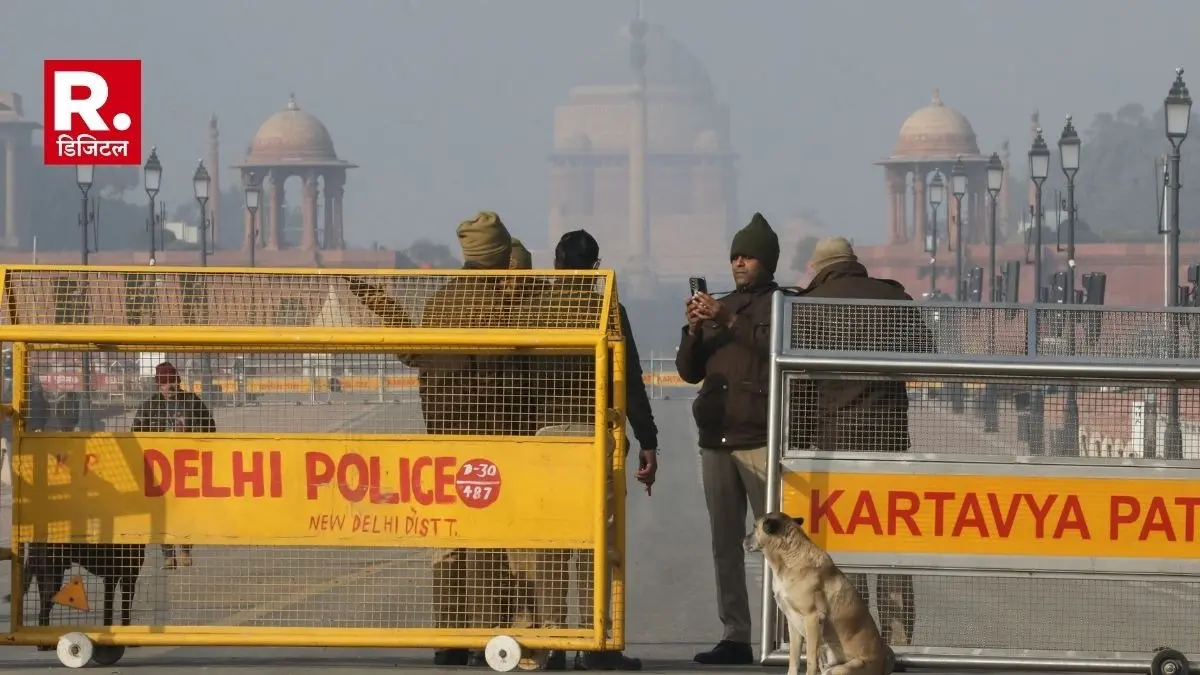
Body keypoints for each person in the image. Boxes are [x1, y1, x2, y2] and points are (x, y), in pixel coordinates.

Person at [520, 229, 656, 671]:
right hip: (599, 436)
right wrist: (649, 440)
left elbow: (515, 377)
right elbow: (630, 380)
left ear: (556, 265)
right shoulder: (608, 308)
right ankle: (597, 642)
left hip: (547, 438)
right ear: (596, 267)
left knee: (551, 545)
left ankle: (553, 641)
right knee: (600, 543)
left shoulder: (536, 310)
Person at [792, 237, 935, 650]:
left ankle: (853, 644)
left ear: (819, 267)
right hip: (888, 442)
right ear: (854, 262)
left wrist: (796, 445)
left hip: (832, 447)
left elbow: (798, 387)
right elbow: (926, 353)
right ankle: (897, 642)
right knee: (891, 545)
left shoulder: (807, 306)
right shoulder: (892, 298)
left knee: (845, 553)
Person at [419, 212, 533, 667]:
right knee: (489, 540)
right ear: (501, 255)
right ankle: (488, 634)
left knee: (448, 540)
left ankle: (449, 637)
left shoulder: (439, 302)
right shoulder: (502, 307)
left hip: (443, 440)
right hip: (493, 438)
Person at [676, 213, 780, 666]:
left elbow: (774, 347)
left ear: (767, 261)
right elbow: (688, 371)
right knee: (725, 544)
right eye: (735, 256)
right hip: (716, 440)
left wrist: (726, 318)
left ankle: (784, 633)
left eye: (748, 256)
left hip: (760, 438)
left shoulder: (779, 306)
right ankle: (735, 634)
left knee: (777, 543)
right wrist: (694, 329)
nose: (739, 263)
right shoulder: (718, 307)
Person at [131, 362, 216, 570]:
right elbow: (135, 432)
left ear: (177, 382)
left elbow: (211, 428)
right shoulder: (150, 406)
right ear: (158, 385)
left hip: (188, 466)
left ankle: (185, 548)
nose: (168, 387)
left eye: (171, 382)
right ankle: (168, 554)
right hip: (160, 469)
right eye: (163, 383)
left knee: (187, 509)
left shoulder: (192, 402)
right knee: (163, 511)